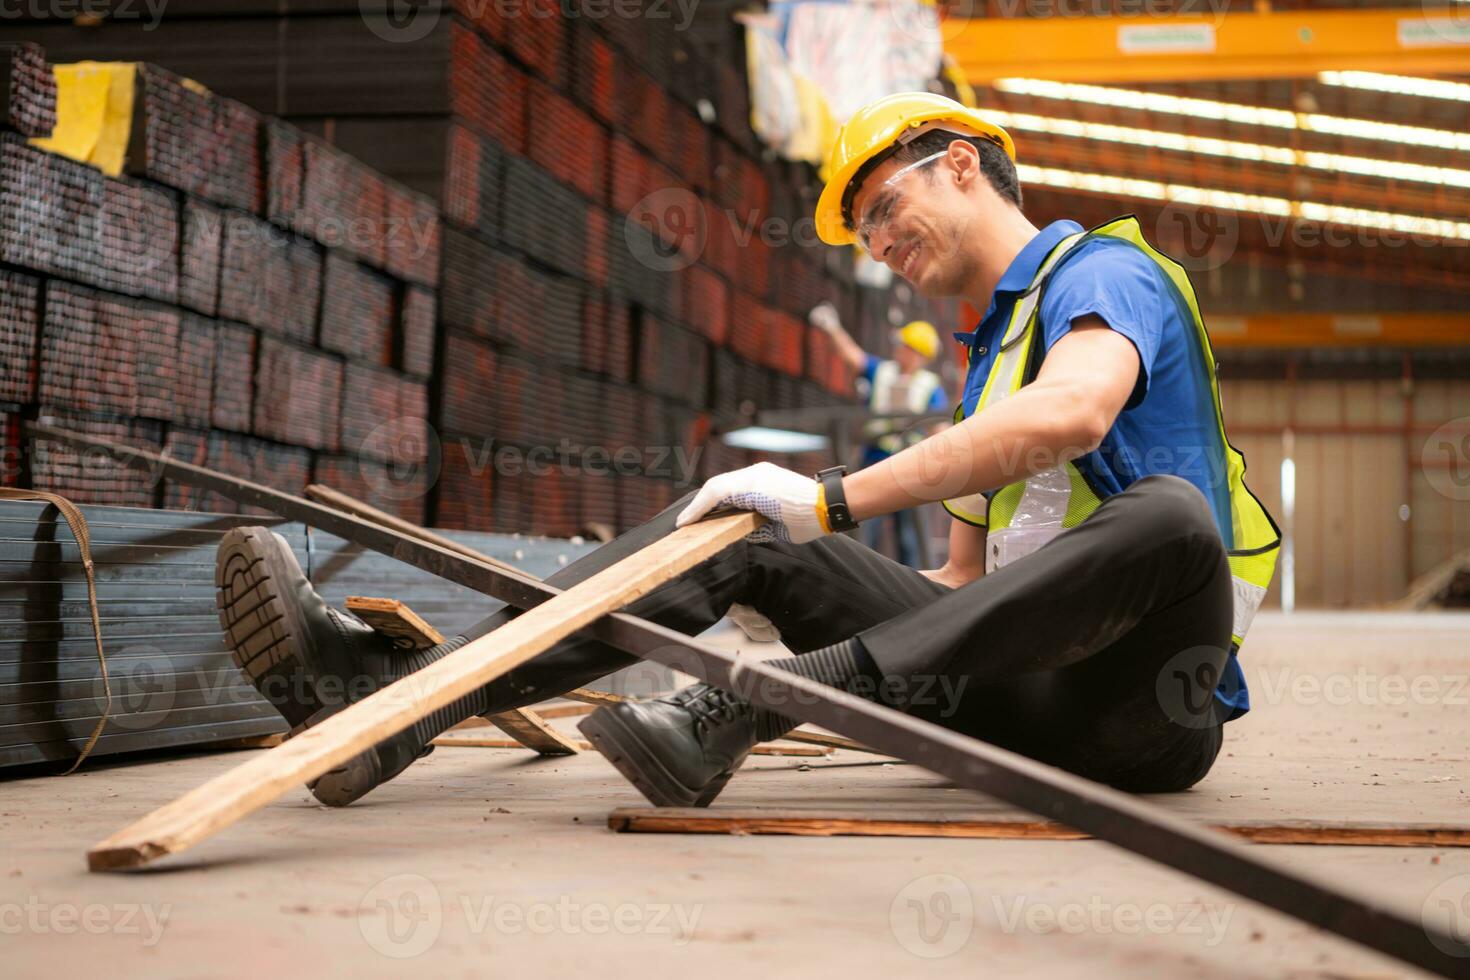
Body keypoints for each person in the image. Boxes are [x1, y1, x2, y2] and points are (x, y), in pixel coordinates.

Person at [215, 91, 1278, 810]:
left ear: (962, 165)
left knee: (1172, 514)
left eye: (884, 208)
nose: (879, 245)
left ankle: (759, 696)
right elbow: (955, 587)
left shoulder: (1104, 274)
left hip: (1144, 712)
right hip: (1015, 697)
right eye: (864, 231)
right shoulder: (990, 352)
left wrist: (835, 500)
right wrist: (791, 558)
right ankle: (390, 702)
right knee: (747, 525)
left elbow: (1076, 416)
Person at [809, 303, 947, 566]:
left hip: (909, 465)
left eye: (905, 346)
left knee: (909, 533)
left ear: (917, 353)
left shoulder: (929, 386)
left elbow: (939, 428)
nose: (899, 350)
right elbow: (853, 356)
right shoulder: (883, 372)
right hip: (874, 458)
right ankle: (858, 572)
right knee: (864, 525)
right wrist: (832, 327)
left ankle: (913, 580)